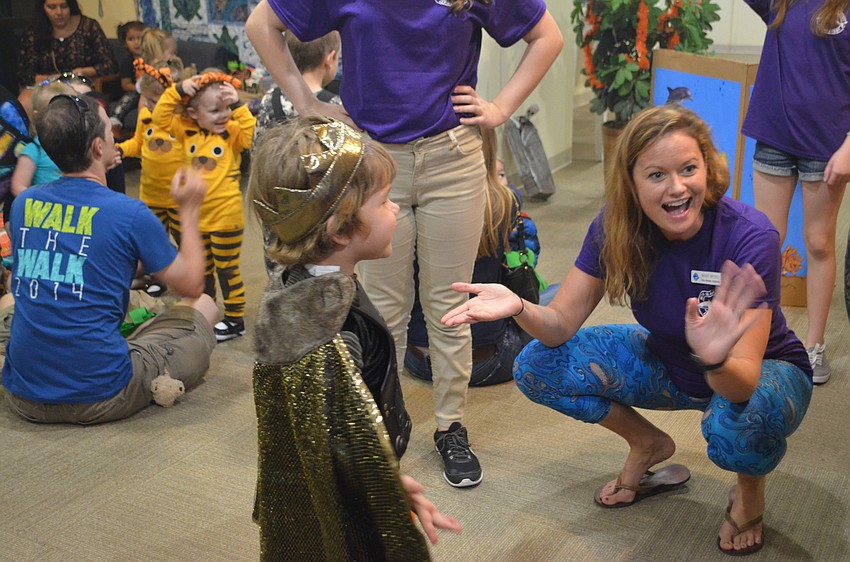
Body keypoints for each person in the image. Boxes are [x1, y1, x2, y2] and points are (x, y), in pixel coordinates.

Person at [442, 106, 813, 556]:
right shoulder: (616, 228)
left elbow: (742, 383)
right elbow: (558, 327)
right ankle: (646, 441)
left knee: (734, 431)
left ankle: (750, 491)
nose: (677, 188)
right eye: (656, 175)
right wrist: (519, 305)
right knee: (537, 365)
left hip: (759, 373)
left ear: (708, 170)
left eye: (689, 169)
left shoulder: (749, 236)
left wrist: (713, 356)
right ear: (632, 185)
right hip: (673, 360)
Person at [246, 0, 563, 489]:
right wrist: (307, 103)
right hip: (373, 163)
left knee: (451, 301)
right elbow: (261, 23)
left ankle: (451, 427)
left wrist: (499, 108)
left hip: (452, 157)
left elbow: (547, 36)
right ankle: (374, 433)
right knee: (381, 312)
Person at [248, 116, 461, 559]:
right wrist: (384, 484)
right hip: (345, 493)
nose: (396, 209)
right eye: (384, 203)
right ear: (340, 230)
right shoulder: (331, 337)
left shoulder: (295, 284)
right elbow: (339, 440)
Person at [0, 92, 218, 424]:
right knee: (203, 305)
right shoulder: (129, 213)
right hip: (103, 393)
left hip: (22, 394)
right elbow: (190, 282)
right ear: (99, 148)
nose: (114, 133)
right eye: (109, 128)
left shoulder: (23, 203)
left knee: (9, 301)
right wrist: (188, 211)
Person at [742, 0, 850, 385]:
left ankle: (814, 346)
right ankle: (762, 339)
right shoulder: (779, 3)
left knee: (819, 243)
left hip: (828, 145)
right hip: (775, 136)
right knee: (764, 240)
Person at [405, 127, 530, 387]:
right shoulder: (506, 200)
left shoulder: (407, 206)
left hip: (418, 358)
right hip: (486, 362)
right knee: (544, 303)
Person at [152, 71, 256, 341]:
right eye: (215, 110)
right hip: (198, 218)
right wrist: (177, 89)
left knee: (227, 269)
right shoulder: (186, 131)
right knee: (204, 269)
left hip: (226, 218)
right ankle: (205, 308)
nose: (223, 115)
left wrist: (238, 105)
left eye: (226, 109)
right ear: (194, 113)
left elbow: (251, 135)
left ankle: (235, 318)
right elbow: (160, 117)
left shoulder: (232, 131)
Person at [253, 30, 342, 276]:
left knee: (282, 283)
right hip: (323, 223)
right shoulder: (336, 106)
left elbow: (257, 154)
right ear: (330, 58)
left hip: (279, 214)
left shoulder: (270, 99)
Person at [16, 0, 117, 120]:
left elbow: (110, 64)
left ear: (71, 6)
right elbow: (24, 73)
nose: (59, 12)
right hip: (47, 86)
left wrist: (84, 71)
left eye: (64, 6)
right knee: (24, 102)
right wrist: (51, 79)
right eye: (52, 7)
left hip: (79, 85)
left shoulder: (89, 26)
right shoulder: (34, 32)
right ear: (43, 8)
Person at [9, 79, 72, 197]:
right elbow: (18, 186)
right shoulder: (34, 150)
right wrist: (40, 202)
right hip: (46, 209)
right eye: (58, 114)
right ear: (38, 117)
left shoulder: (75, 145)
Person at [109, 20, 148, 130]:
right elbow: (125, 85)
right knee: (130, 97)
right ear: (125, 42)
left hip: (150, 92)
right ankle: (115, 118)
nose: (136, 43)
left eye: (140, 38)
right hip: (135, 92)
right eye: (131, 39)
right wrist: (139, 89)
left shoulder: (152, 59)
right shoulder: (128, 62)